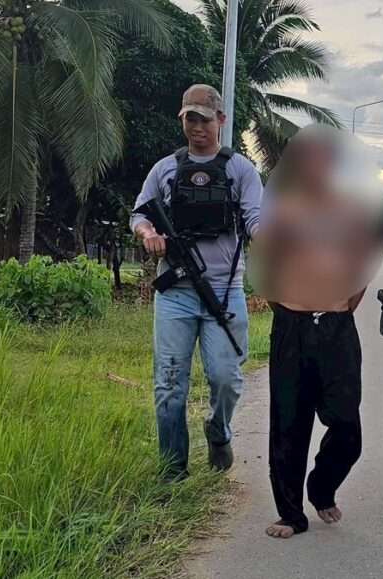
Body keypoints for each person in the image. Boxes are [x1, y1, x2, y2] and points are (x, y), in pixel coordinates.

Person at [254, 126, 383, 539]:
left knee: (347, 426)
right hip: (291, 329)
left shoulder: (352, 210)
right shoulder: (282, 210)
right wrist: (290, 304)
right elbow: (264, 267)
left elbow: (363, 262)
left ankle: (322, 486)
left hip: (336, 329)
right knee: (288, 426)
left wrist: (340, 303)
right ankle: (291, 514)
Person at [130, 84, 262, 482]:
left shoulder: (241, 170)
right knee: (170, 382)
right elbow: (139, 214)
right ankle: (173, 470)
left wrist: (270, 237)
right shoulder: (165, 169)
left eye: (204, 119)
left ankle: (218, 430)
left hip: (225, 291)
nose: (196, 127)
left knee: (226, 378)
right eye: (190, 118)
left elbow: (257, 218)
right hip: (175, 294)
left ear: (220, 120)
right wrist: (148, 233)